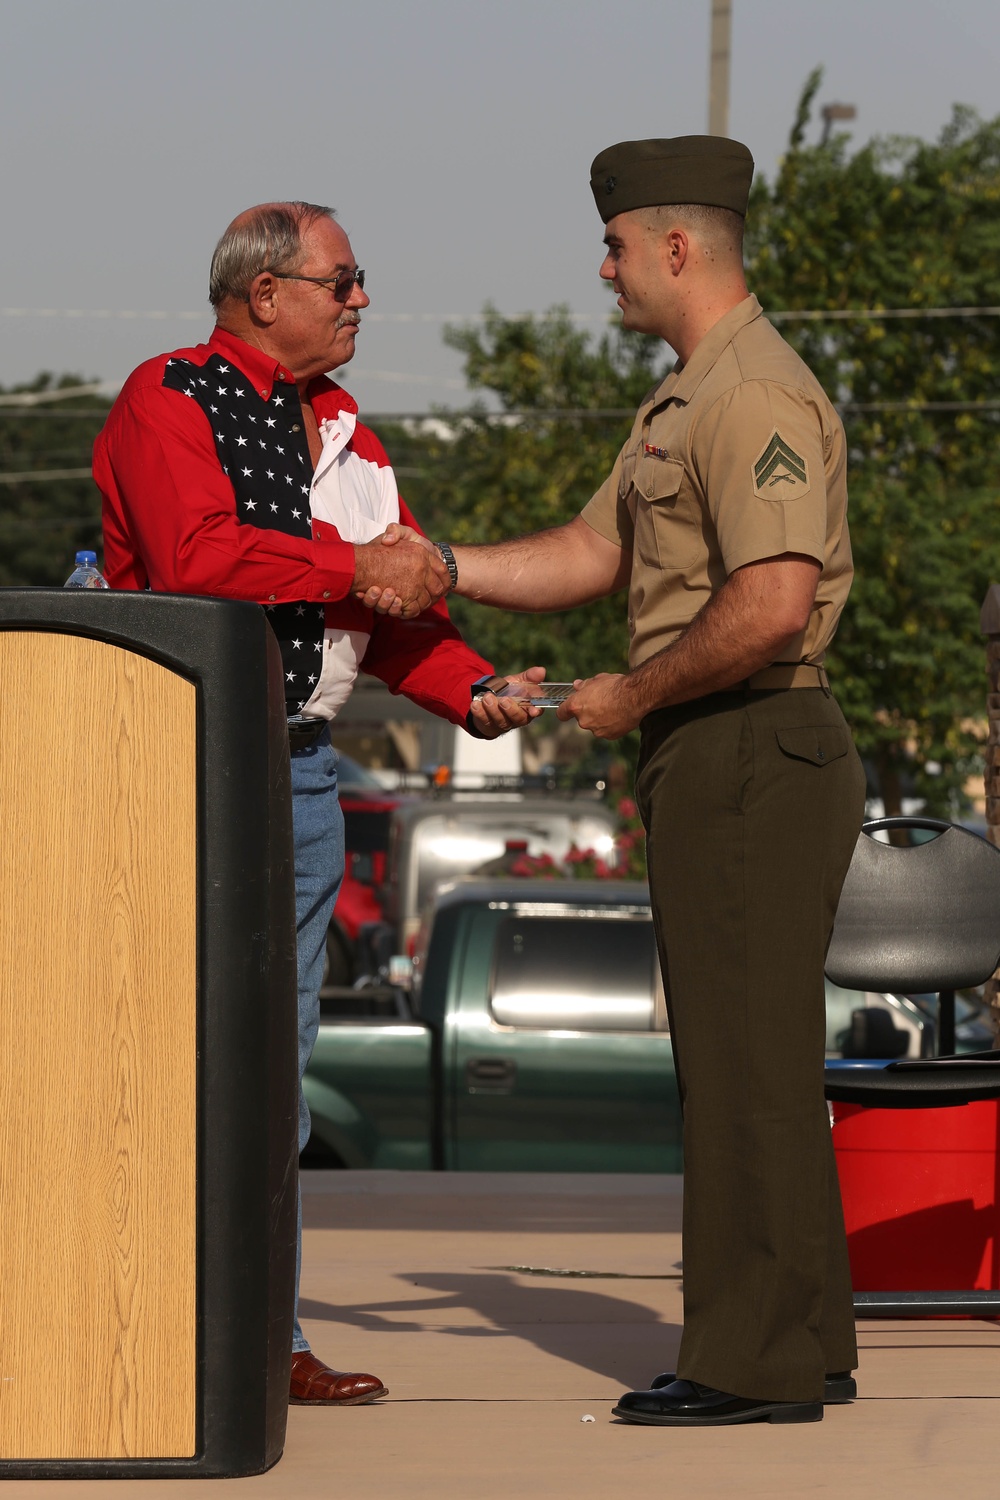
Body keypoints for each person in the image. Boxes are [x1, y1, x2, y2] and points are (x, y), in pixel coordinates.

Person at [376, 136, 866, 1426]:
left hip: (750, 740)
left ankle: (747, 1363)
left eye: (611, 247)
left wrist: (628, 696)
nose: (601, 272)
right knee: (758, 1058)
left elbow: (768, 607)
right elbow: (593, 549)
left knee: (742, 1063)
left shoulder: (749, 393)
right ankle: (803, 1336)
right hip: (728, 744)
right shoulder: (685, 399)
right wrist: (444, 564)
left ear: (675, 246)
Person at [94, 200, 541, 1408]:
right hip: (174, 756)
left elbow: (396, 621)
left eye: (356, 282)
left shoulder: (350, 432)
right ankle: (125, 1318)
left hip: (295, 770)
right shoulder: (170, 396)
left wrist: (475, 688)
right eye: (341, 281)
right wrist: (359, 567)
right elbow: (198, 559)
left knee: (277, 1073)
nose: (358, 300)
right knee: (149, 1053)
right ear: (261, 293)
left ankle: (262, 1336)